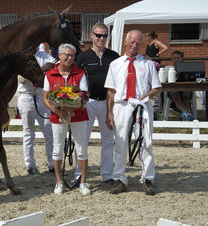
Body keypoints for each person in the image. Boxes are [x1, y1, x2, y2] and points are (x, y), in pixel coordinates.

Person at [105, 30, 162, 195]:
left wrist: (148, 94)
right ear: (126, 42)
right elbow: (110, 91)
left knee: (147, 142)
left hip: (142, 105)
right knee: (121, 142)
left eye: (138, 43)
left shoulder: (147, 64)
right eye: (132, 42)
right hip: (121, 105)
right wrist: (109, 113)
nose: (135, 46)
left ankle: (147, 178)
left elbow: (157, 87)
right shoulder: (115, 64)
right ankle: (120, 179)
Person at [42, 43, 91, 196]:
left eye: (72, 55)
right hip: (58, 116)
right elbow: (45, 97)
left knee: (81, 149)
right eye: (66, 55)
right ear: (59, 56)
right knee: (57, 149)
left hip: (78, 116)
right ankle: (59, 182)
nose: (69, 58)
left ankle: (83, 182)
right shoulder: (49, 74)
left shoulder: (80, 73)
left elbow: (84, 95)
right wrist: (55, 109)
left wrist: (74, 106)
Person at [76, 23, 119, 184]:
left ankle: (107, 174)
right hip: (88, 102)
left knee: (108, 140)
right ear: (92, 36)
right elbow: (75, 79)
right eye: (98, 35)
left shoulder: (114, 56)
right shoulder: (83, 57)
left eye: (105, 35)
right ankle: (80, 173)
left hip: (108, 102)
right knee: (82, 139)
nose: (102, 39)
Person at [17, 43, 55, 174]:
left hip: (42, 95)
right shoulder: (21, 57)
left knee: (48, 131)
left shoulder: (45, 56)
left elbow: (52, 66)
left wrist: (36, 72)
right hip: (26, 95)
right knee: (28, 132)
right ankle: (30, 164)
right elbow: (20, 78)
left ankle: (52, 163)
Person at [166, 50, 195, 121]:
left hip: (184, 90)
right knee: (175, 94)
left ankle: (186, 114)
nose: (176, 60)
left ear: (182, 59)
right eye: (174, 58)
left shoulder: (187, 69)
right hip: (172, 91)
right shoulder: (167, 69)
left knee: (186, 93)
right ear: (171, 59)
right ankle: (188, 114)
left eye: (178, 58)